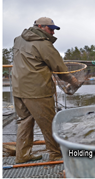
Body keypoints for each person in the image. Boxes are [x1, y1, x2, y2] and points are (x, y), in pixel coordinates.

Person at [12, 17, 79, 163]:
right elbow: (59, 69)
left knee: (25, 120)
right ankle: (56, 155)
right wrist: (73, 81)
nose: (53, 33)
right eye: (51, 29)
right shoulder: (44, 44)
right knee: (49, 122)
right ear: (40, 27)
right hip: (37, 91)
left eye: (54, 29)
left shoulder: (18, 39)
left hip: (18, 89)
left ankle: (22, 155)